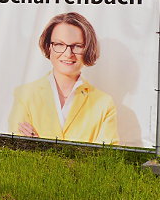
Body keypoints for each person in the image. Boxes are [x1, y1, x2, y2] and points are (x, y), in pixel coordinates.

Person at [8, 12, 118, 144]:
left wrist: (40, 145)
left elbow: (105, 160)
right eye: (59, 44)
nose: (68, 54)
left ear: (88, 49)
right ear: (49, 47)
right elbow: (18, 153)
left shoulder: (104, 103)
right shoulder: (24, 95)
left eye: (77, 46)